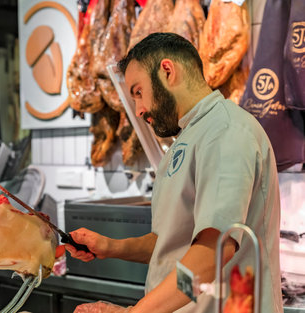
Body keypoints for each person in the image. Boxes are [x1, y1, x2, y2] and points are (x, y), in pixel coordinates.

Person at [66, 32, 283, 313]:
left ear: (167, 71)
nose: (140, 110)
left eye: (138, 92)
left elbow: (211, 255)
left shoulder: (226, 131)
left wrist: (135, 312)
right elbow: (172, 242)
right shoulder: (189, 137)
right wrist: (110, 246)